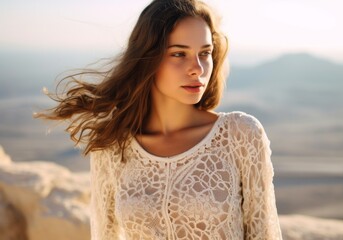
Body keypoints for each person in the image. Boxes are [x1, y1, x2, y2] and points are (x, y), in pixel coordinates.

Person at [35, 0, 283, 239]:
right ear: (148, 59)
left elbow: (264, 234)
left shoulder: (240, 134)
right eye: (179, 54)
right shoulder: (112, 147)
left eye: (205, 53)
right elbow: (104, 235)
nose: (197, 68)